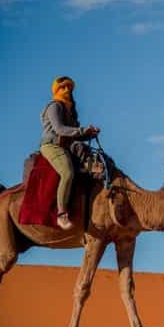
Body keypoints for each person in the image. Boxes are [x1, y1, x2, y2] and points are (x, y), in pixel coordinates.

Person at [39, 76, 100, 229]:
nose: (67, 90)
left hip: (66, 147)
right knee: (67, 172)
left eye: (69, 88)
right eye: (63, 87)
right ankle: (61, 214)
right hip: (52, 146)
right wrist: (82, 130)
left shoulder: (70, 111)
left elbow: (75, 134)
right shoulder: (55, 106)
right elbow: (60, 130)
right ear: (57, 90)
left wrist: (89, 134)